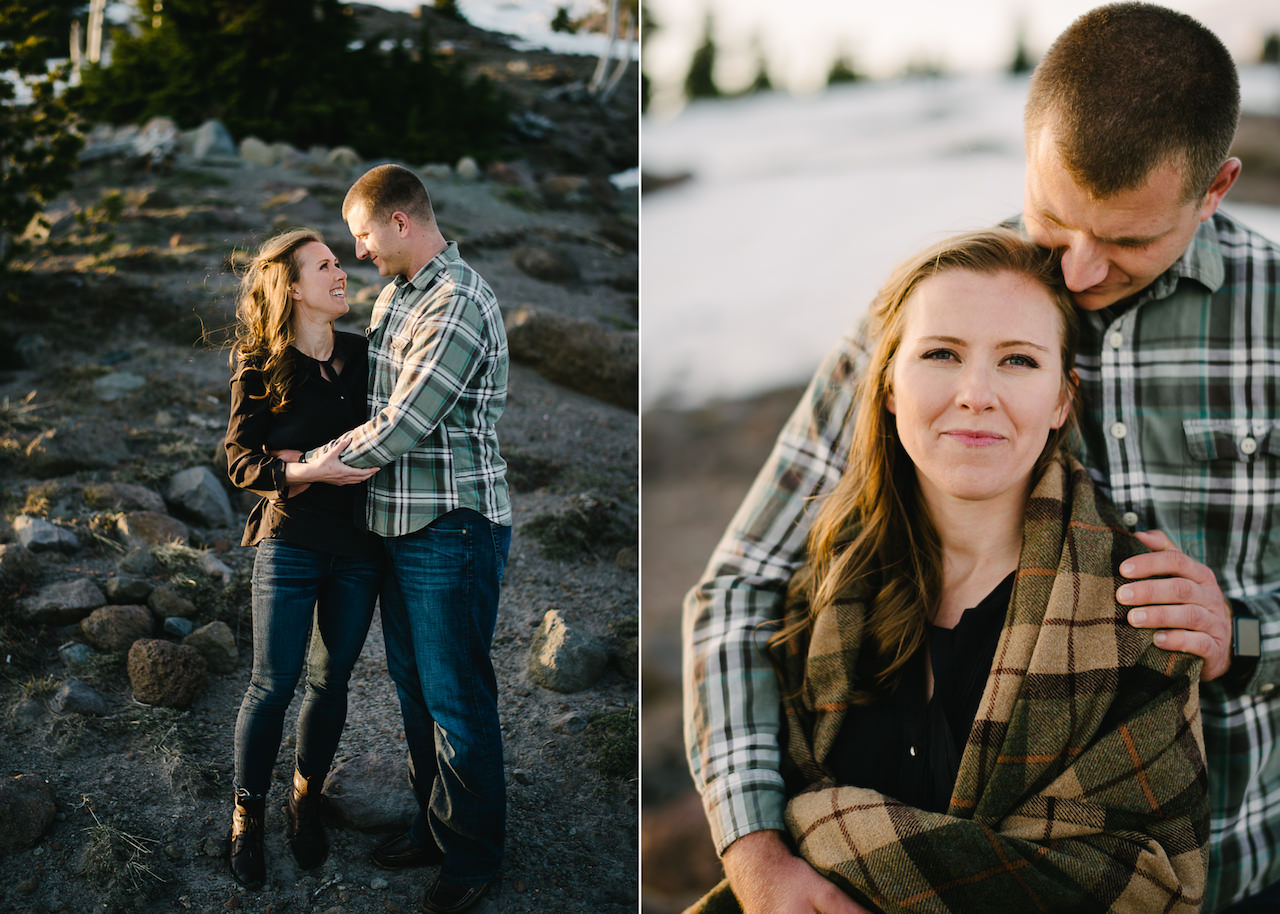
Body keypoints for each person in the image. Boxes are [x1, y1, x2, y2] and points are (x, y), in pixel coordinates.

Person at [682, 4, 1280, 912]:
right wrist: (757, 852)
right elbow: (737, 589)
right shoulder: (943, 309)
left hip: (1234, 863)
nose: (1077, 273)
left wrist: (1247, 633)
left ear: (1217, 185)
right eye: (1053, 219)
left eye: (1126, 240)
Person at [689, 228, 1208, 913]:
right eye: (941, 353)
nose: (975, 394)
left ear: (1060, 400)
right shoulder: (818, 588)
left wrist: (833, 836)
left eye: (1018, 361)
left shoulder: (1138, 608)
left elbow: (1148, 882)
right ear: (888, 388)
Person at [297, 163, 512, 914]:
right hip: (399, 526)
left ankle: (474, 857)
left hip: (451, 527)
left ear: (399, 222)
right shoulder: (398, 296)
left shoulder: (456, 302)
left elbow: (403, 424)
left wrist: (308, 470)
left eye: (361, 236)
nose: (358, 254)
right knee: (417, 693)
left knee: (457, 698)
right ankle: (437, 827)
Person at [223, 229, 382, 888]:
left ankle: (304, 799)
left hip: (361, 549)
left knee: (331, 683)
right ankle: (246, 818)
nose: (341, 272)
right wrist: (310, 469)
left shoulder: (366, 353)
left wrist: (298, 460)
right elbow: (239, 461)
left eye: (339, 262)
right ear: (292, 286)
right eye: (324, 266)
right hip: (288, 542)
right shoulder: (259, 363)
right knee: (271, 686)